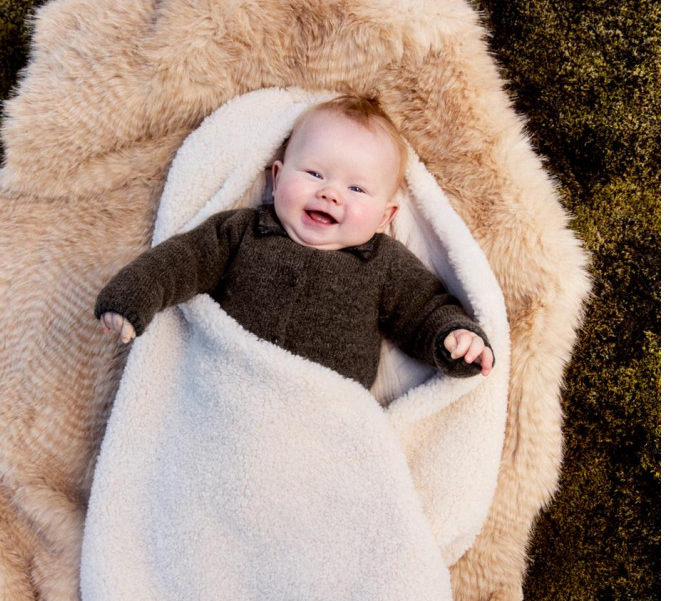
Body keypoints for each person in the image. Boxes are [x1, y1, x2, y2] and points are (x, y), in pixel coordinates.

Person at [95, 95, 494, 386]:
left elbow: (424, 309)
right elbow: (181, 260)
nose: (330, 193)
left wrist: (455, 339)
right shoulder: (242, 232)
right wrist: (134, 294)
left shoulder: (384, 264)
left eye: (356, 188)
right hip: (229, 388)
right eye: (315, 174)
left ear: (385, 217)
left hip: (321, 420)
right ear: (277, 177)